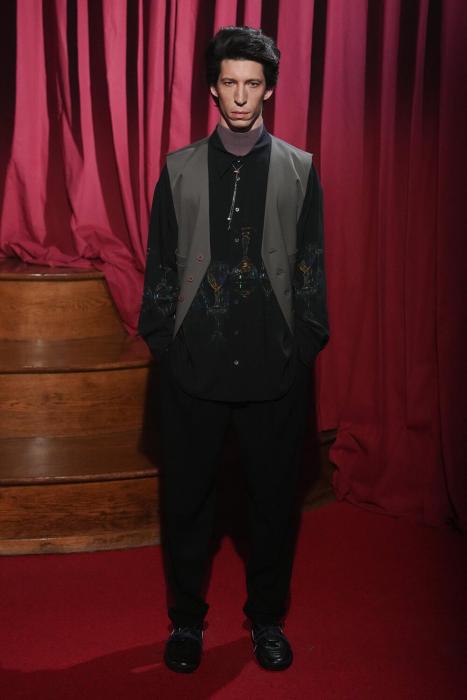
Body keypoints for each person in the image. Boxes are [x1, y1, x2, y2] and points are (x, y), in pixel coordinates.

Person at [138, 26, 329, 673]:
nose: (241, 96)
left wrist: (303, 348)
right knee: (186, 503)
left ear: (268, 89)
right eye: (229, 83)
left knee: (272, 506)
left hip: (274, 372)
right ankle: (186, 622)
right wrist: (165, 347)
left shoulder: (299, 168)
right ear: (213, 89)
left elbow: (310, 266)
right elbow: (160, 266)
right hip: (193, 371)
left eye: (252, 83)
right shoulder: (179, 168)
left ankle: (267, 619)